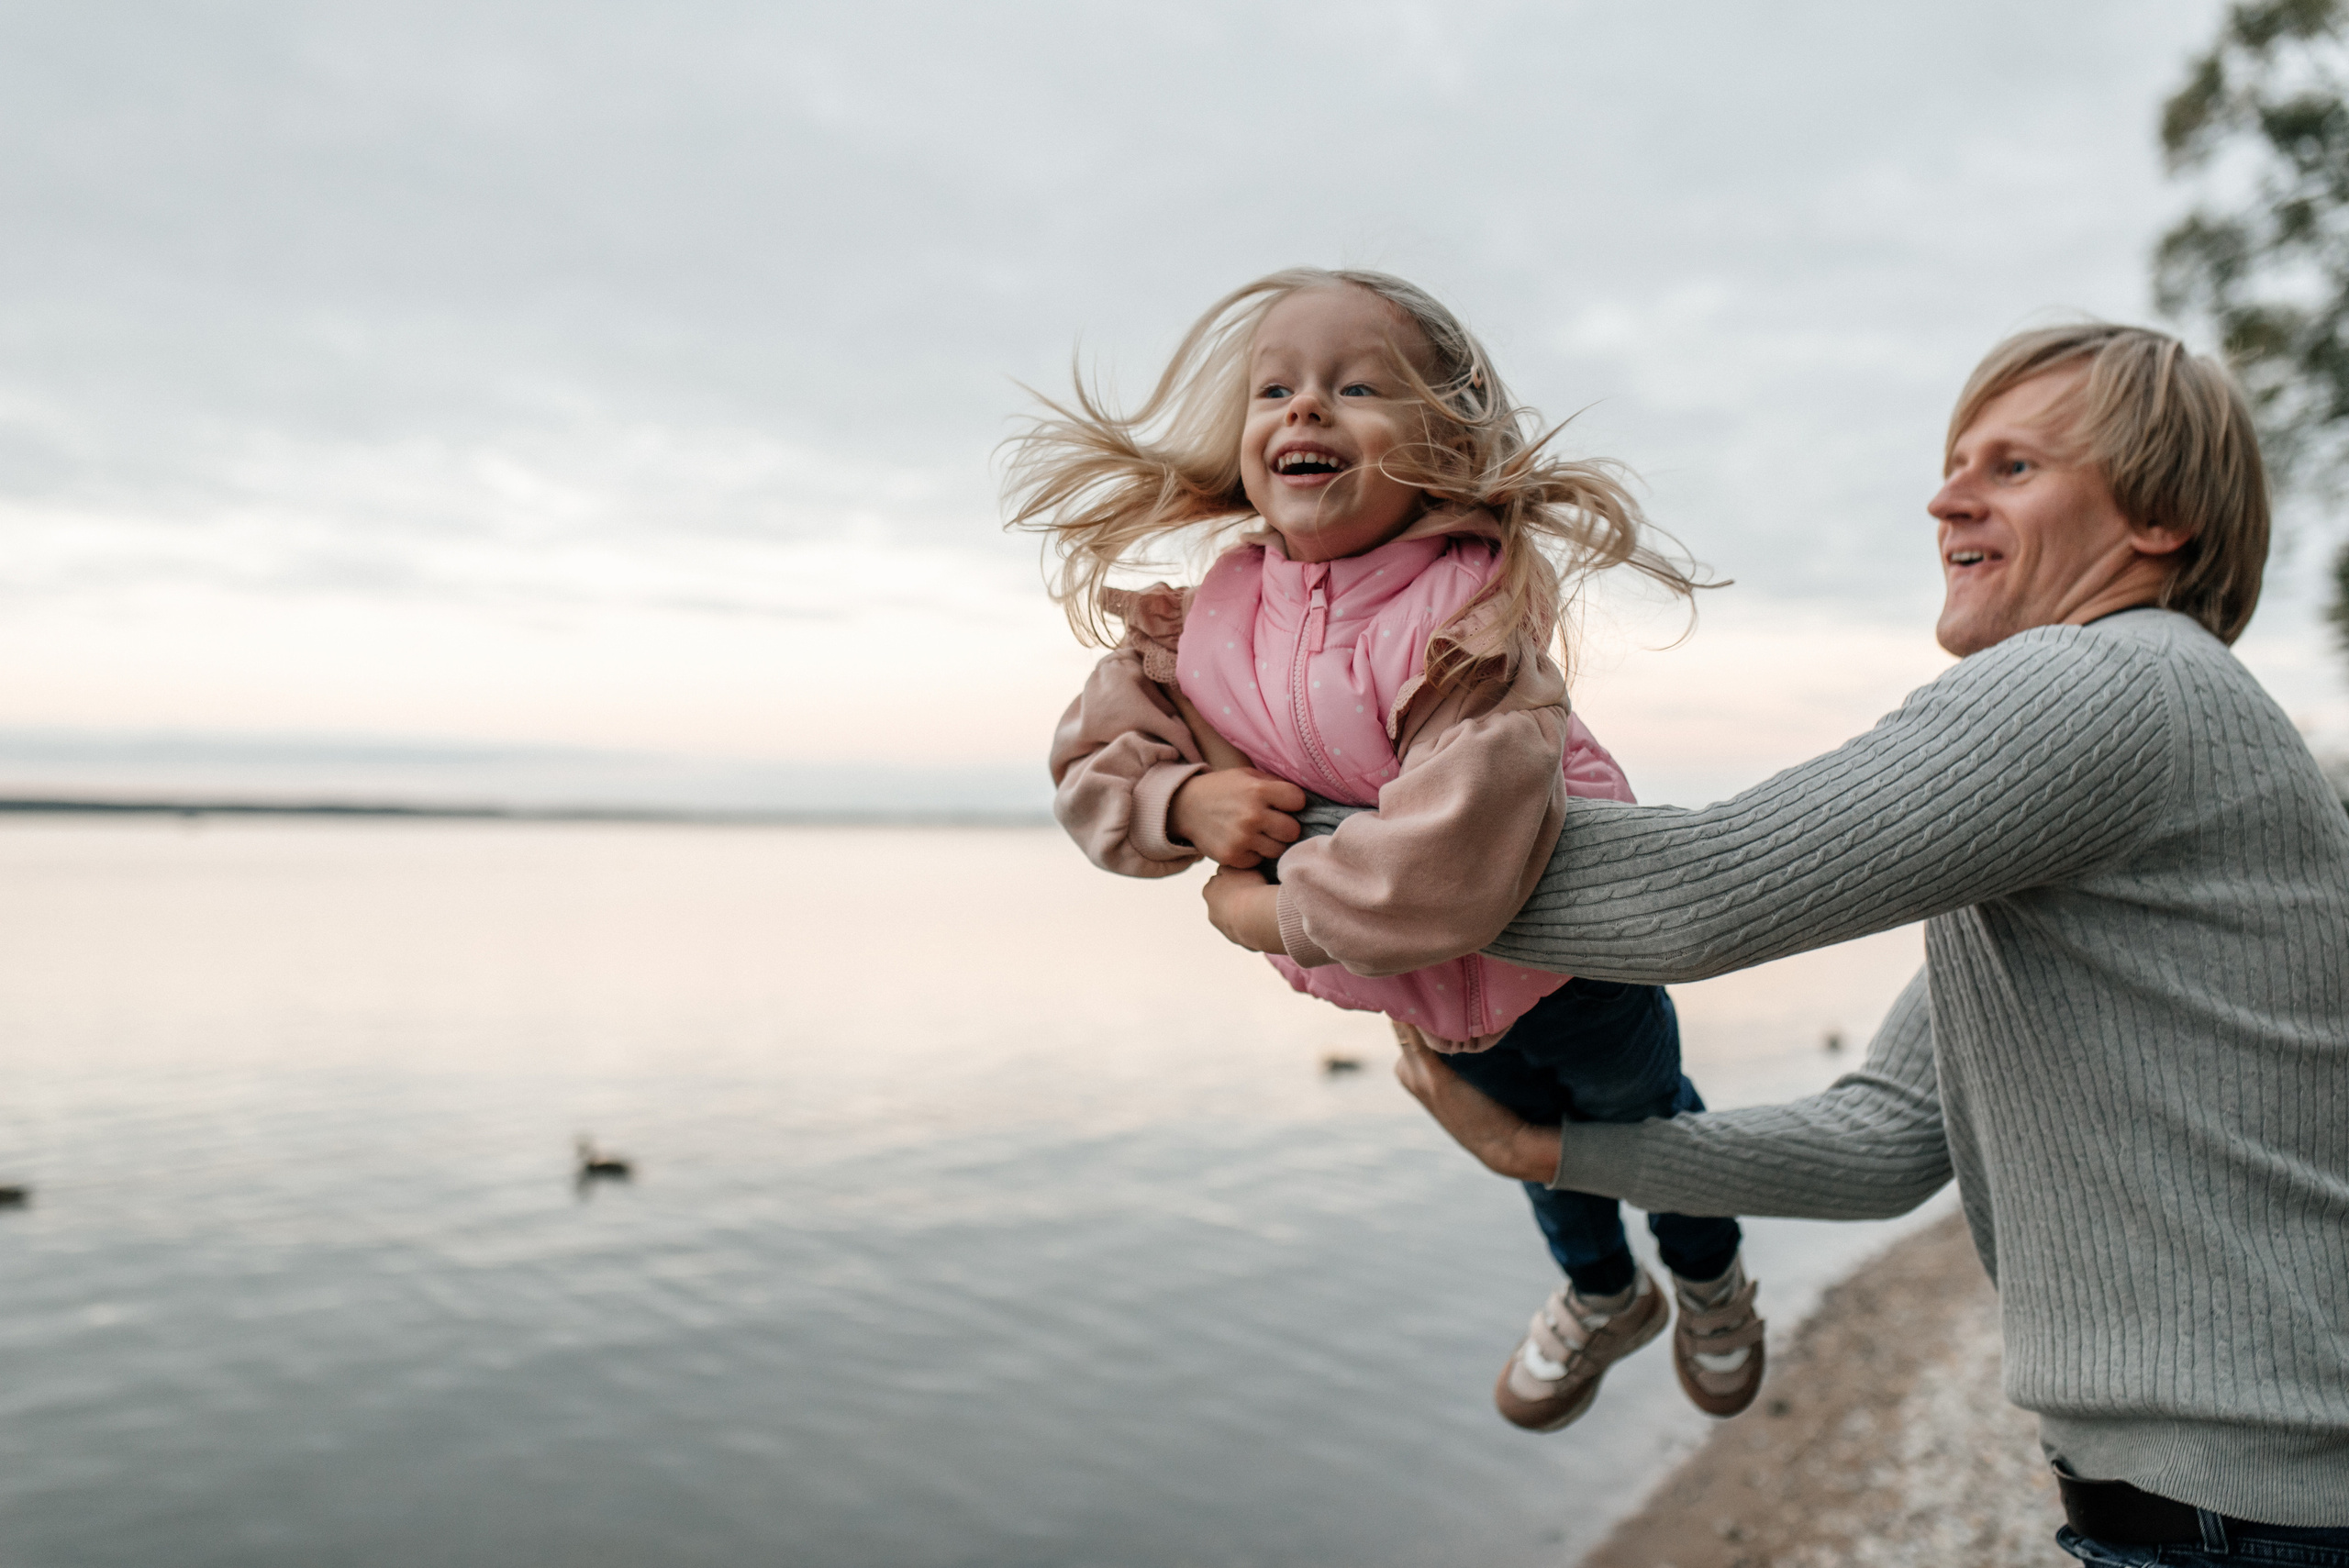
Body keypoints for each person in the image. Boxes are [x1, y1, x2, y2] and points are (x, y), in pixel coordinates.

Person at [1238, 323, 2349, 1562]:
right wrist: (1548, 1147)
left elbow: (1697, 897)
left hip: (2261, 1516)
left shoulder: (2112, 688)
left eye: (2012, 468)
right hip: (2221, 1509)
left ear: (2160, 521)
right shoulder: (2138, 736)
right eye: (1953, 462)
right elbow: (1887, 1138)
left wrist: (1275, 823)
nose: (1944, 497)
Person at [1017, 267, 1767, 1432]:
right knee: (1526, 1151)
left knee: (1644, 1125)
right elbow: (1092, 771)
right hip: (1413, 993)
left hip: (1575, 969)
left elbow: (1443, 863)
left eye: (1355, 385)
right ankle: (1604, 1294)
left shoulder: (1472, 623)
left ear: (1444, 444)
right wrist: (1183, 800)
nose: (1303, 409)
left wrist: (1257, 910)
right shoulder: (1209, 620)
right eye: (1276, 388)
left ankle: (1710, 1279)